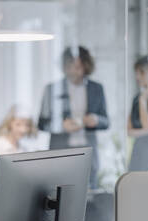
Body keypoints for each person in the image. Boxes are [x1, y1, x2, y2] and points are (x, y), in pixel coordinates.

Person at [38, 46, 110, 188]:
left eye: (78, 66)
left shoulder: (96, 88)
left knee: (88, 197)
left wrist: (95, 120)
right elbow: (41, 123)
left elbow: (106, 121)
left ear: (86, 66)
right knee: (58, 194)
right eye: (70, 66)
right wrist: (61, 125)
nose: (74, 70)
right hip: (61, 153)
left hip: (87, 152)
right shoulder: (52, 89)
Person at [0, 106, 36, 192]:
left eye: (26, 125)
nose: (23, 130)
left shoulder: (24, 149)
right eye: (18, 124)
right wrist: (6, 190)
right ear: (9, 124)